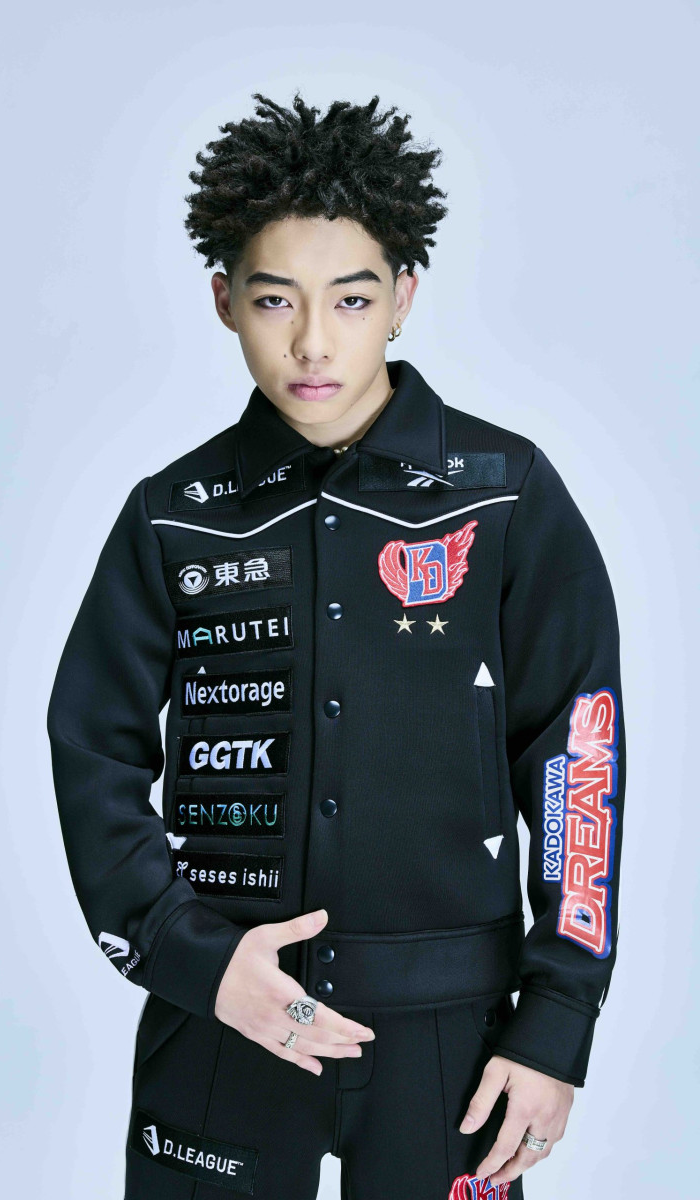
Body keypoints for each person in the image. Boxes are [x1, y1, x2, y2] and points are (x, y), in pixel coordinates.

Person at [47, 91, 626, 1200]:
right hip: (222, 1022)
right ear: (224, 301)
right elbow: (93, 750)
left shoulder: (505, 495)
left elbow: (576, 758)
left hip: (451, 1043)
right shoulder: (173, 516)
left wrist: (557, 1021)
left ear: (402, 297)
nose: (312, 341)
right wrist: (190, 957)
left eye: (351, 299)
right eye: (275, 299)